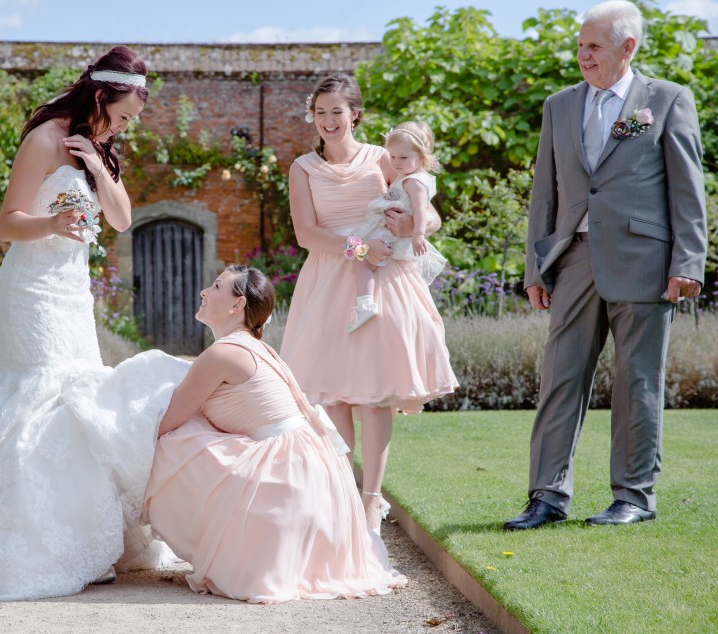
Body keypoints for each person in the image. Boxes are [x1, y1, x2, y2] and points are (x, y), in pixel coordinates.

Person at [0, 46, 183, 601]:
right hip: (33, 292)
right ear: (100, 96)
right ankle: (14, 542)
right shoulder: (45, 138)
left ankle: (79, 541)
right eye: (121, 116)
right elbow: (7, 225)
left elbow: (121, 219)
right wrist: (52, 221)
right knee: (34, 398)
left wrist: (97, 163)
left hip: (72, 295)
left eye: (130, 122)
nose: (124, 128)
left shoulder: (97, 147)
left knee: (78, 404)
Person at [503, 1, 707, 531]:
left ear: (628, 47)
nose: (583, 54)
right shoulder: (559, 105)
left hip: (646, 263)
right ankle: (546, 496)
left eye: (594, 45)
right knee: (559, 378)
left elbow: (688, 191)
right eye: (580, 45)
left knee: (638, 383)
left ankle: (634, 496)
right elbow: (544, 192)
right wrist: (535, 267)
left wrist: (688, 261)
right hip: (572, 260)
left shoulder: (666, 100)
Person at [143, 265, 405, 603]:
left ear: (237, 306)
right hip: (315, 472)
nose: (204, 292)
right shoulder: (256, 347)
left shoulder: (222, 353)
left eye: (217, 286)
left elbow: (166, 422)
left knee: (172, 442)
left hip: (288, 475)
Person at [280, 75, 459, 535]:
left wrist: (411, 227)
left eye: (337, 111)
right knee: (334, 395)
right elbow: (306, 234)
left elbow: (428, 209)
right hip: (329, 279)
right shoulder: (302, 168)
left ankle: (372, 502)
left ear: (354, 114)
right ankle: (341, 494)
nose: (328, 121)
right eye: (320, 112)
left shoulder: (382, 158)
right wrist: (358, 247)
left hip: (383, 282)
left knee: (376, 394)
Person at [346, 121, 448, 333]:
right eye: (392, 157)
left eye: (403, 158)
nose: (395, 162)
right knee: (363, 261)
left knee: (362, 261)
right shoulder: (410, 177)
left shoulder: (414, 182)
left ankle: (365, 304)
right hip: (391, 230)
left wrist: (418, 234)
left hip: (390, 234)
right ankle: (366, 303)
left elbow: (422, 210)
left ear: (421, 158)